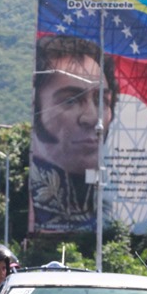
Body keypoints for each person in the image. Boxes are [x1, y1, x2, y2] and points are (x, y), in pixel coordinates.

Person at [30, 34, 119, 232]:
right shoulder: (28, 207)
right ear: (36, 107)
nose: (92, 119)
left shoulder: (115, 218)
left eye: (101, 101)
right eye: (70, 100)